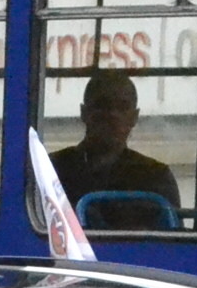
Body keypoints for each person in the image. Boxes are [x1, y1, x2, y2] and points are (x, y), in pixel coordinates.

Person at [48, 70, 179, 220]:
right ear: (84, 113)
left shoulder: (155, 177)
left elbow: (171, 231)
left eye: (122, 107)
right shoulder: (53, 170)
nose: (112, 115)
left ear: (134, 117)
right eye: (102, 105)